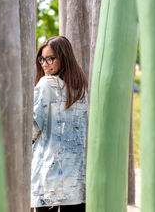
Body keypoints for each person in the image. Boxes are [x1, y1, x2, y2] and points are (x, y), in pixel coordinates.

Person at [31, 36, 88, 212]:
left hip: (49, 178)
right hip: (76, 180)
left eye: (50, 58)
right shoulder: (80, 88)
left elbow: (32, 128)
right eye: (42, 59)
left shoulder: (46, 84)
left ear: (63, 57)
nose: (44, 64)